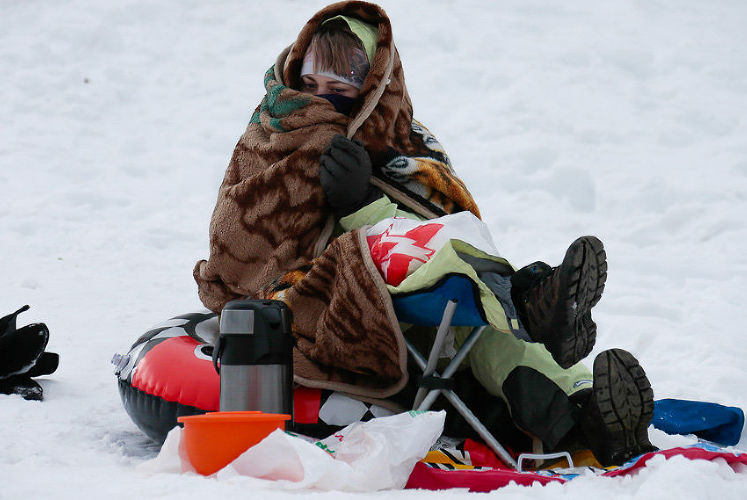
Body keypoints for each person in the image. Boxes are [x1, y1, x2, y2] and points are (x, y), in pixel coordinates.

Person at [194, 1, 654, 466]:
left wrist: (361, 201)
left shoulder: (408, 141)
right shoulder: (273, 132)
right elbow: (239, 242)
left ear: (372, 88)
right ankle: (528, 301)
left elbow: (445, 214)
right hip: (318, 296)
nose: (321, 100)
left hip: (422, 301)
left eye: (338, 89)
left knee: (495, 337)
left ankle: (591, 414)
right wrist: (356, 209)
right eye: (310, 86)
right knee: (416, 259)